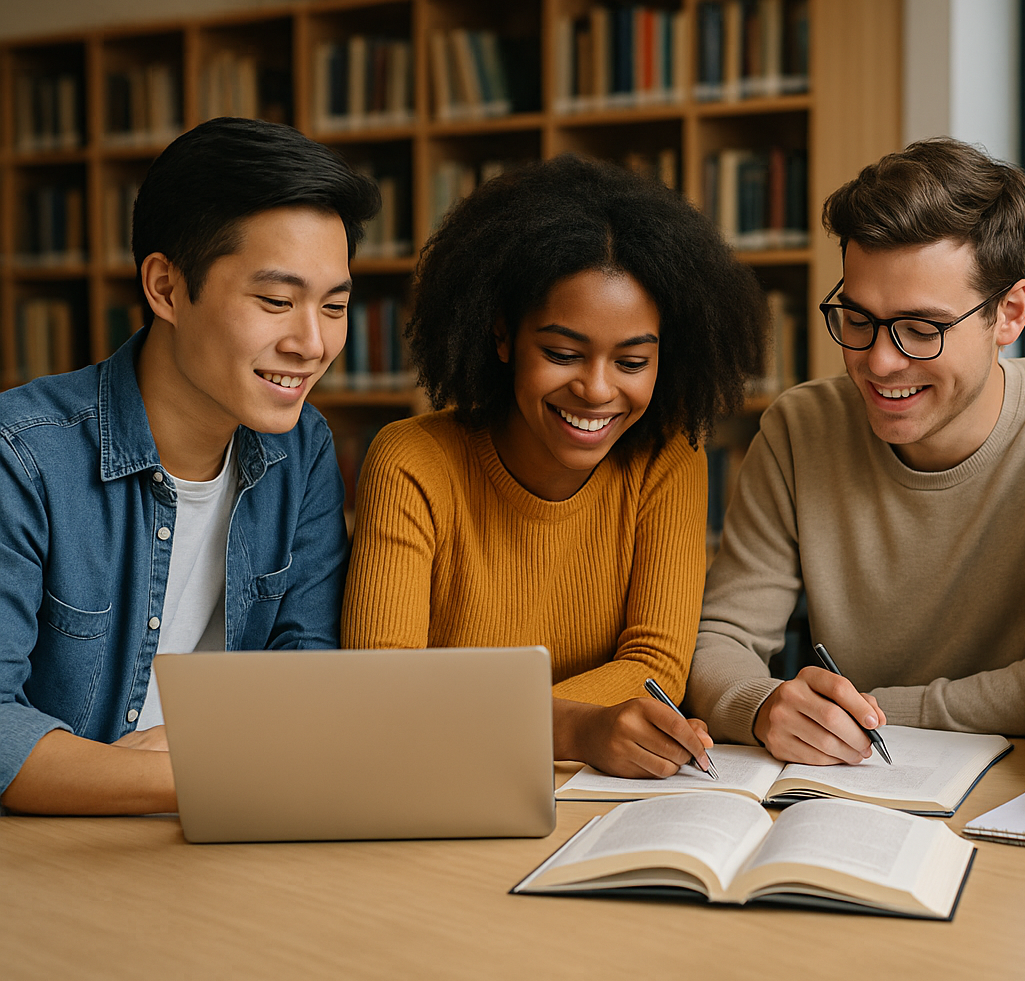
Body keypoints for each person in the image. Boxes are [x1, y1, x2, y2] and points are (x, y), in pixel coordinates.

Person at [686, 137, 1025, 764]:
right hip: (863, 785)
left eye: (921, 329)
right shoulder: (800, 428)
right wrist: (761, 704)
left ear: (1010, 314)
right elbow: (721, 636)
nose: (880, 361)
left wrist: (870, 710)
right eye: (857, 319)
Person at [341, 154, 767, 779]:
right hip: (441, 785)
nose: (596, 391)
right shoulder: (412, 462)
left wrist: (511, 720)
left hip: (587, 792)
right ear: (504, 335)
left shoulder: (668, 457)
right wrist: (572, 726)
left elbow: (655, 664)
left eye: (631, 362)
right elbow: (386, 692)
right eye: (563, 353)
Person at [0, 118, 379, 815]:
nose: (313, 343)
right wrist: (209, 770)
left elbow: (312, 675)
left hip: (221, 838)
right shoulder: (21, 457)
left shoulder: (304, 449)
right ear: (167, 288)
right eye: (275, 301)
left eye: (335, 306)